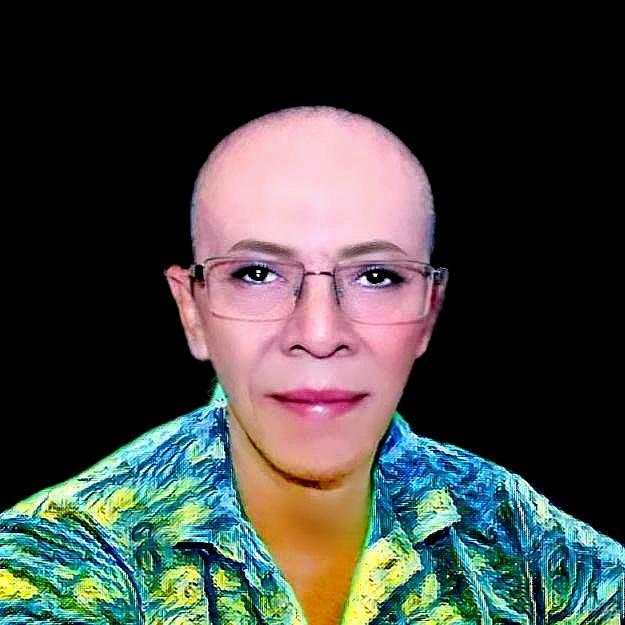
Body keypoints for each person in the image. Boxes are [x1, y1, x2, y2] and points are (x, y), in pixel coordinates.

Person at [1, 106, 623, 625]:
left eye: (376, 276)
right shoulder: (61, 556)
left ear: (429, 312)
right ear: (192, 311)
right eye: (257, 274)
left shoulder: (522, 540)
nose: (320, 335)